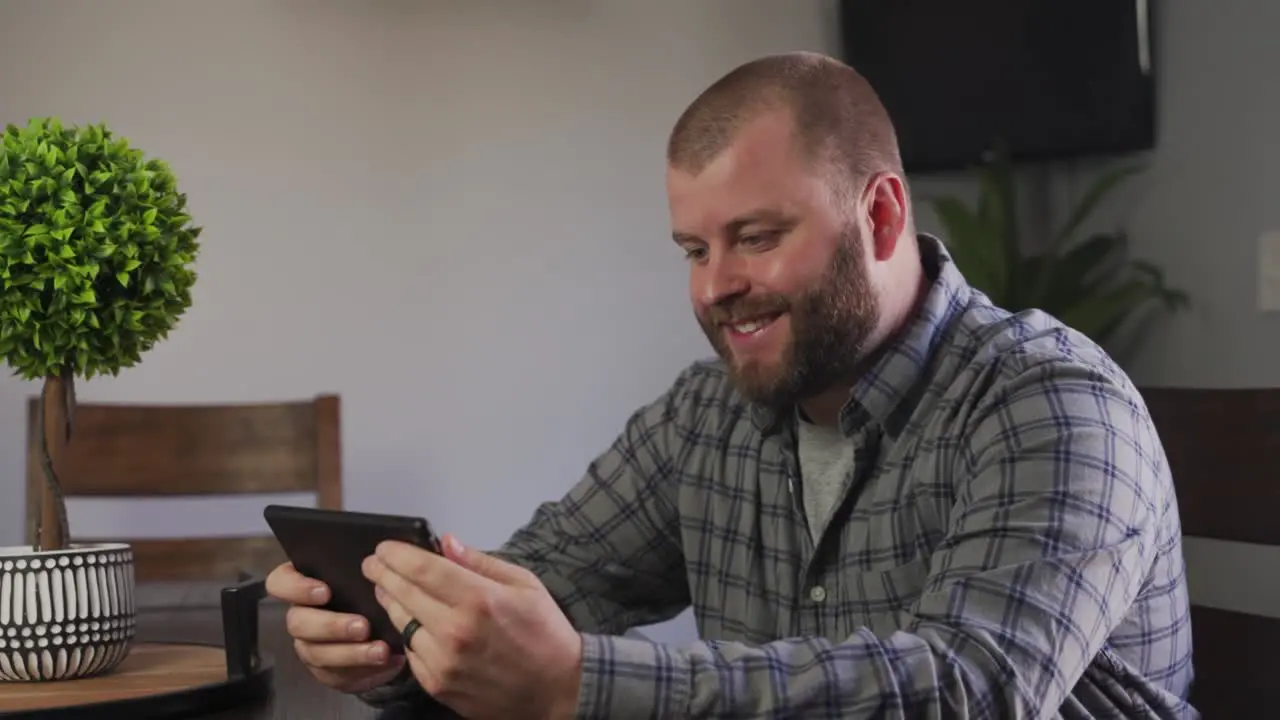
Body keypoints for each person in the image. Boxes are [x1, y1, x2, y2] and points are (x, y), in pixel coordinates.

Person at [266, 51, 1197, 719]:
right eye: (694, 249)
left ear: (877, 215)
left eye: (756, 237)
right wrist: (400, 643)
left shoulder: (1053, 403)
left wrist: (571, 686)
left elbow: (973, 688)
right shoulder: (706, 415)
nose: (714, 289)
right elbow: (547, 587)